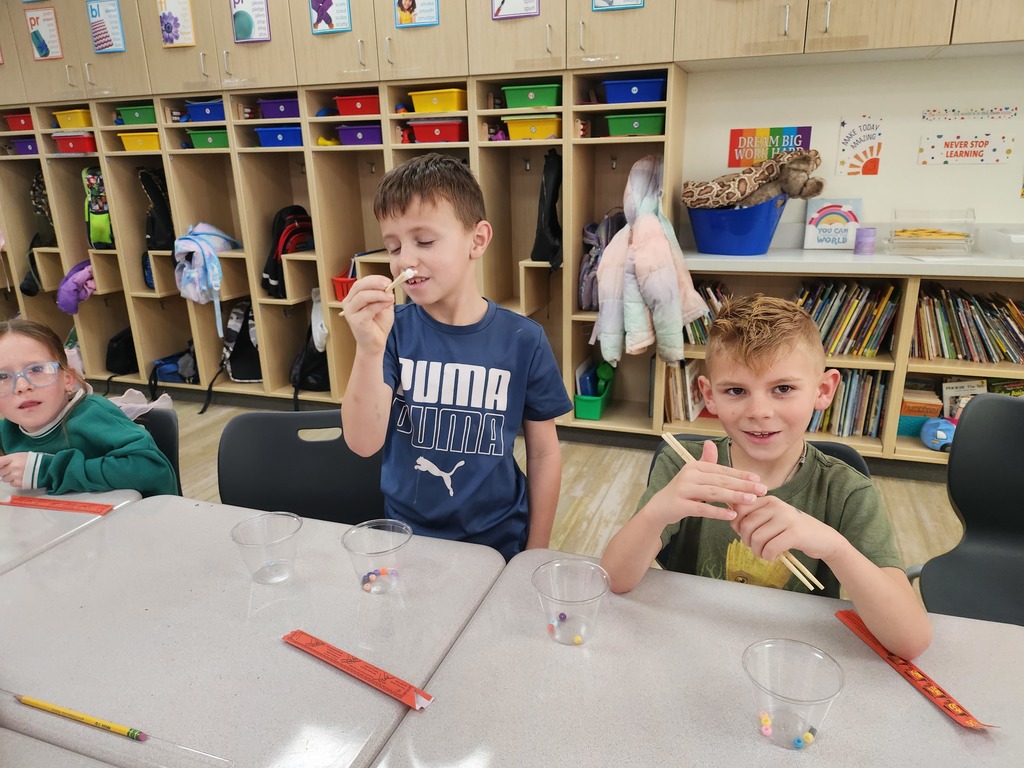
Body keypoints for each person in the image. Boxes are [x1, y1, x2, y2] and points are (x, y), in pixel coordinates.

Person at [601, 294, 931, 659]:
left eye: (783, 389)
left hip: (792, 660)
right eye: (736, 391)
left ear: (823, 390)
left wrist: (834, 547)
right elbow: (614, 580)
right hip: (690, 647)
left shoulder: (846, 491)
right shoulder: (685, 468)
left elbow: (909, 641)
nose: (759, 411)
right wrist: (656, 513)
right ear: (709, 396)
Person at [341, 153, 572, 560]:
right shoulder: (392, 331)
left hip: (499, 538)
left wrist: (536, 549)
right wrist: (368, 348)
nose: (405, 260)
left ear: (477, 240)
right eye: (393, 246)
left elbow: (543, 452)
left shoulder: (524, 339)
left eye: (424, 241)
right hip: (407, 539)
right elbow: (362, 444)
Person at [0, 319, 177, 497]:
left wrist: (46, 470)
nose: (21, 386)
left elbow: (154, 471)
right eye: (2, 376)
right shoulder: (6, 430)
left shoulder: (94, 415)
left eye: (37, 369)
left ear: (68, 379)